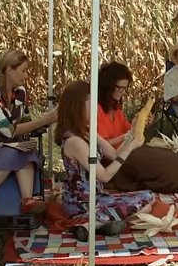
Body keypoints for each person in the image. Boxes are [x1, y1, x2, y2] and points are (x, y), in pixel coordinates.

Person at [55, 80, 155, 240]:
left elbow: (114, 154)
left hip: (98, 197)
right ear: (77, 106)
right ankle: (91, 224)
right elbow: (105, 175)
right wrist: (131, 146)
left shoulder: (87, 131)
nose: (96, 108)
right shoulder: (75, 141)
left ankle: (100, 224)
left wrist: (134, 130)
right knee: (143, 206)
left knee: (148, 199)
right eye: (91, 102)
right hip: (81, 203)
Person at [0, 49, 57, 217]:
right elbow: (9, 131)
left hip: (12, 144)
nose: (26, 75)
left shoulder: (20, 93)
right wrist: (43, 120)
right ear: (9, 70)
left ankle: (27, 201)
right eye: (23, 70)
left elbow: (25, 122)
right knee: (13, 153)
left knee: (26, 150)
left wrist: (50, 120)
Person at [97, 61, 178, 194]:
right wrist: (128, 135)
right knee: (169, 169)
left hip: (130, 150)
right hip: (117, 159)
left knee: (176, 161)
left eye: (125, 88)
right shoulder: (96, 111)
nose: (122, 92)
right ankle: (177, 182)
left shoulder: (115, 108)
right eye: (119, 88)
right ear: (107, 86)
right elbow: (100, 147)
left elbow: (129, 132)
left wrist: (140, 124)